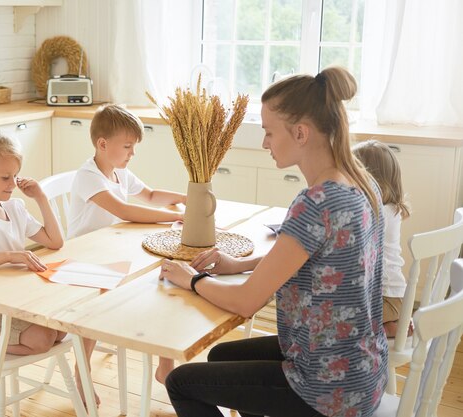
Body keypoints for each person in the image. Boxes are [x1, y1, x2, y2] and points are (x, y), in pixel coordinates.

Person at [160, 67, 389, 417]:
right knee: (222, 355)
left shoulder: (316, 201)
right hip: (362, 370)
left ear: (300, 133)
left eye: (268, 132)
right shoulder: (361, 183)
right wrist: (238, 265)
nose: (264, 143)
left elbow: (246, 302)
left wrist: (191, 279)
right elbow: (309, 258)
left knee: (180, 381)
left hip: (327, 387)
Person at [0, 129, 98, 403]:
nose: (13, 183)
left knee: (65, 328)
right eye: (5, 177)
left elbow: (54, 241)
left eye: (15, 175)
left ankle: (71, 367)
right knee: (42, 340)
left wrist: (40, 198)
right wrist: (9, 255)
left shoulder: (14, 208)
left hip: (11, 303)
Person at [68, 103, 187, 384]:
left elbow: (151, 195)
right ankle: (80, 375)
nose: (132, 154)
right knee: (96, 305)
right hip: (84, 259)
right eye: (128, 147)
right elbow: (125, 211)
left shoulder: (120, 172)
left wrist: (186, 197)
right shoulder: (88, 177)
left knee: (164, 281)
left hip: (112, 251)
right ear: (102, 144)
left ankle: (165, 365)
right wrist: (177, 215)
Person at [353, 139, 411, 337]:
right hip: (394, 297)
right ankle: (394, 324)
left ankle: (388, 329)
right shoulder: (392, 209)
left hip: (385, 298)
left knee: (346, 324)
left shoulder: (378, 213)